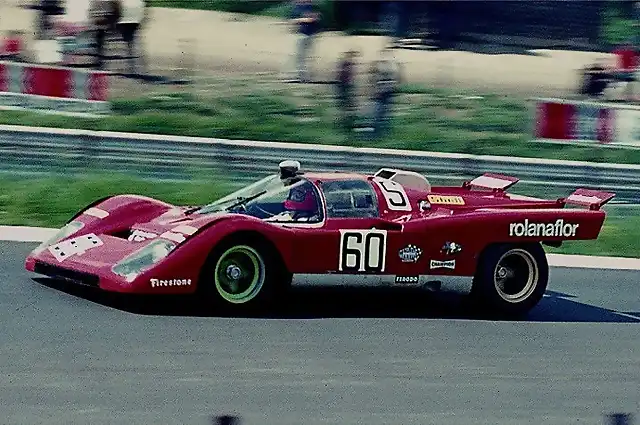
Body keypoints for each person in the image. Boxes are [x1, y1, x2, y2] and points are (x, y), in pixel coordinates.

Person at [288, 0, 321, 83]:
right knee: (301, 57)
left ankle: (304, 77)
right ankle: (303, 77)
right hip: (304, 35)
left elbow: (313, 19)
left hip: (308, 35)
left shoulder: (311, 7)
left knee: (303, 57)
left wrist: (300, 20)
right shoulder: (303, 8)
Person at [335, 49, 359, 133]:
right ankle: (346, 125)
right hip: (345, 88)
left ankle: (347, 125)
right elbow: (342, 78)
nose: (354, 58)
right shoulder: (346, 64)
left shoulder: (349, 64)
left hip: (347, 88)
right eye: (353, 55)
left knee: (349, 108)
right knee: (347, 108)